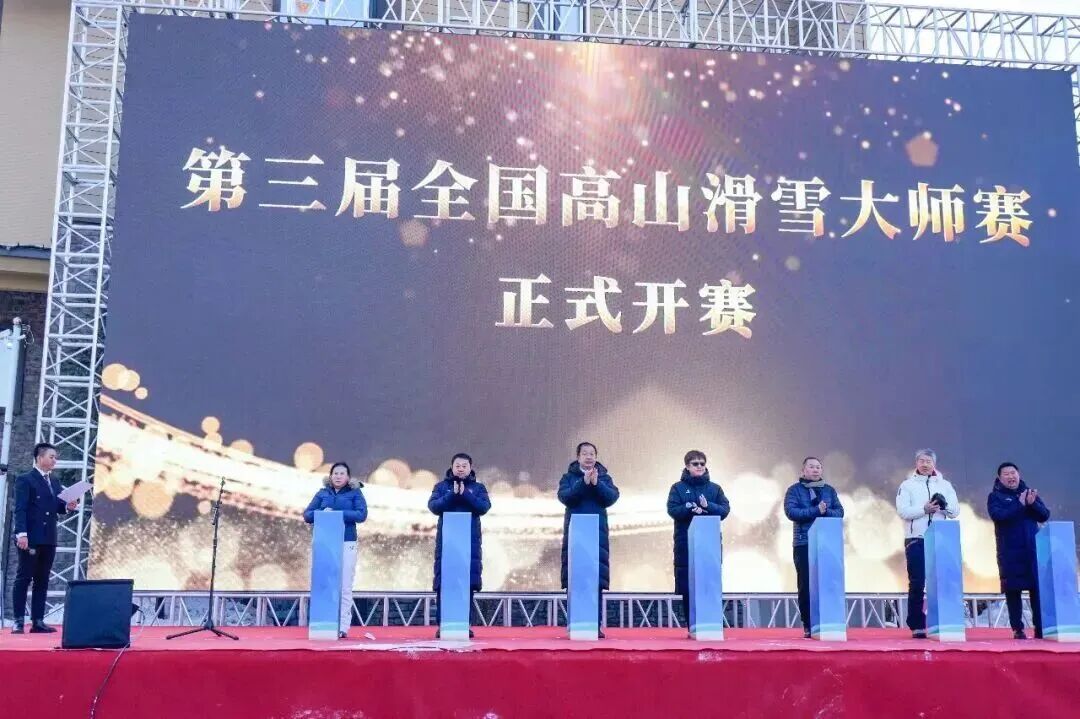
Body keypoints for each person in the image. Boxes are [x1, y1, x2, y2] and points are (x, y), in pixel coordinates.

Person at [11, 442, 78, 634]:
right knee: (24, 577)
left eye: (56, 457)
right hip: (31, 537)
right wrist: (21, 533)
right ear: (40, 458)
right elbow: (20, 508)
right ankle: (18, 620)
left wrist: (68, 506)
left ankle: (38, 620)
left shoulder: (54, 482)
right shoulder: (26, 479)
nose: (55, 460)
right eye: (51, 457)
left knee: (42, 579)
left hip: (49, 537)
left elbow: (57, 506)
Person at [895, 448, 959, 638]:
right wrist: (924, 509)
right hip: (916, 538)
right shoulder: (907, 485)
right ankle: (917, 624)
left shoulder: (945, 485)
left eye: (928, 461)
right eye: (922, 461)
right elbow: (903, 511)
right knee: (917, 581)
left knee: (941, 581)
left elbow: (955, 511)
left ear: (934, 464)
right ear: (916, 463)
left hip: (940, 539)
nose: (925, 464)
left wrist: (943, 506)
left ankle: (942, 622)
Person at [558, 442, 619, 638]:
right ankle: (575, 623)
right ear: (578, 457)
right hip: (576, 536)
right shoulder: (568, 478)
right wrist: (583, 483)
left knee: (595, 580)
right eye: (585, 453)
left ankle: (595, 624)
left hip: (596, 535)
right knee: (576, 579)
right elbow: (565, 497)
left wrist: (596, 483)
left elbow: (611, 497)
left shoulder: (604, 477)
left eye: (592, 453)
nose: (589, 457)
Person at [428, 452, 491, 639]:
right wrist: (452, 494)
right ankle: (443, 624)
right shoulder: (441, 487)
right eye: (458, 465)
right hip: (447, 545)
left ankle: (465, 624)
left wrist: (465, 494)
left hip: (469, 544)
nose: (461, 469)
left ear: (470, 468)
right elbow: (434, 506)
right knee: (445, 584)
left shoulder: (478, 488)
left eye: (464, 466)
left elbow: (484, 507)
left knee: (467, 584)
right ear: (452, 467)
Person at [666, 450, 730, 633]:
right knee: (689, 586)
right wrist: (689, 508)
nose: (700, 466)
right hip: (686, 544)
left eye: (702, 463)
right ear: (687, 466)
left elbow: (725, 510)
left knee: (709, 584)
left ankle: (711, 626)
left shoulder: (715, 489)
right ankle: (693, 626)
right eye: (695, 464)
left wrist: (707, 506)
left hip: (709, 546)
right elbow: (672, 510)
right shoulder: (677, 488)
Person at [303, 462, 367, 639]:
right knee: (325, 584)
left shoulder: (355, 493)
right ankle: (324, 624)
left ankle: (343, 626)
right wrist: (322, 512)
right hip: (325, 544)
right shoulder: (322, 493)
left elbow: (361, 515)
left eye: (342, 473)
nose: (338, 476)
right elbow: (307, 515)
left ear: (348, 477)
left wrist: (337, 514)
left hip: (347, 542)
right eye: (335, 473)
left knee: (345, 585)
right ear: (330, 476)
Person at [987, 462, 1050, 639]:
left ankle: (1040, 628)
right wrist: (1019, 504)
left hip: (1031, 550)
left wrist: (1032, 504)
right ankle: (1017, 629)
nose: (1011, 476)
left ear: (1018, 474)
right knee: (1013, 590)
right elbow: (998, 516)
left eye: (1013, 473)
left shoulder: (1029, 493)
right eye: (1006, 474)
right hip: (1009, 551)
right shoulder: (995, 497)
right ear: (1000, 478)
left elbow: (1044, 515)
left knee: (1036, 590)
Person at [783, 457, 845, 638]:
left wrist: (825, 512)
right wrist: (816, 511)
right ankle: (809, 624)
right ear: (803, 471)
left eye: (818, 467)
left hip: (827, 544)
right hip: (804, 543)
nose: (816, 470)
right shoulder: (794, 490)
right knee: (806, 585)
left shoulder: (829, 490)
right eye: (811, 467)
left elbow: (840, 512)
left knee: (828, 583)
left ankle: (829, 622)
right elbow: (791, 512)